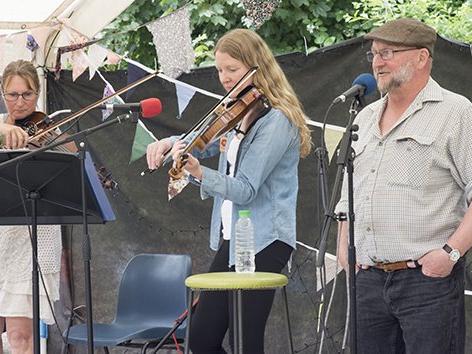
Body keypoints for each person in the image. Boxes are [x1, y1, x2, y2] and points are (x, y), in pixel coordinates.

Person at [146, 29, 311, 353]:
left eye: (231, 69)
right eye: (220, 70)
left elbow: (246, 189)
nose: (223, 78)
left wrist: (196, 171)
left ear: (257, 67)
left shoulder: (276, 120)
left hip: (266, 238)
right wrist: (169, 143)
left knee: (246, 341)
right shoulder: (240, 109)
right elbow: (201, 141)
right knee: (201, 337)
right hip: (234, 237)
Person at [335, 18, 472, 354]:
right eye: (374, 54)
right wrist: (343, 243)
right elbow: (347, 196)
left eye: (388, 52)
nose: (377, 62)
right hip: (366, 279)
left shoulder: (457, 112)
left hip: (427, 283)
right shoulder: (364, 117)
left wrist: (450, 254)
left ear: (422, 57)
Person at [0, 60, 62, 354]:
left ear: (38, 94)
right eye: (12, 95)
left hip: (28, 236)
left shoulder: (50, 127)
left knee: (21, 335)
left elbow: (79, 164)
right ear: (2, 92)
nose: (20, 103)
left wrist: (56, 141)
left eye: (27, 95)